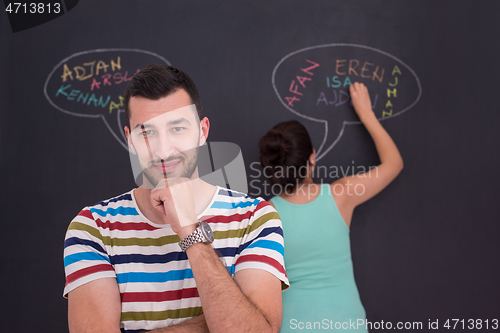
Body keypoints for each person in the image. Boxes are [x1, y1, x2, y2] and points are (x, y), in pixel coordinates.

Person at [63, 64, 289, 333]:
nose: (163, 150)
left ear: (203, 131)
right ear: (130, 140)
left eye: (177, 129)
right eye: (146, 133)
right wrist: (213, 323)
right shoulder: (93, 228)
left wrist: (190, 231)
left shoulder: (255, 218)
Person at [259, 82, 403, 332]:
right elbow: (394, 164)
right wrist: (366, 113)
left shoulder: (265, 215)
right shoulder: (341, 194)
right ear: (312, 157)